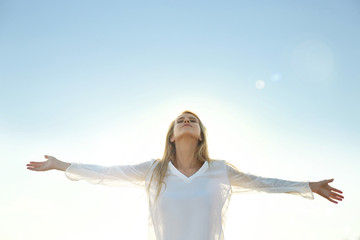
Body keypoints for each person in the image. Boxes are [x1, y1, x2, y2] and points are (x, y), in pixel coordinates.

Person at [26, 110, 344, 240]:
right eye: (180, 120)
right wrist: (61, 164)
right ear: (172, 136)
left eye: (192, 119)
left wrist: (308, 186)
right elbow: (110, 173)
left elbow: (263, 183)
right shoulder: (155, 170)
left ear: (201, 135)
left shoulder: (218, 170)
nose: (186, 120)